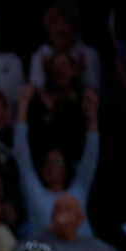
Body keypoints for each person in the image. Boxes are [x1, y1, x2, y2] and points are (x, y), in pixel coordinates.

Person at [14, 84, 99, 237]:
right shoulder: (34, 190)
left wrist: (92, 115)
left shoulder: (78, 189)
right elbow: (22, 153)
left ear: (66, 169)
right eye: (46, 162)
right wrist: (22, 105)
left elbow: (90, 157)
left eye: (57, 162)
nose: (50, 166)